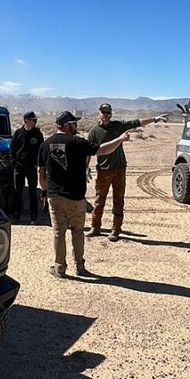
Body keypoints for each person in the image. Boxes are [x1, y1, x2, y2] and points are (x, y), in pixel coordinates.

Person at [38, 111, 127, 278]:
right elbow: (102, 150)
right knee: (77, 232)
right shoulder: (78, 142)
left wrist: (45, 190)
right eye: (74, 123)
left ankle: (60, 268)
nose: (76, 126)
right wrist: (120, 140)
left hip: (54, 197)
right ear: (66, 125)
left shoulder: (45, 144)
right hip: (75, 198)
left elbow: (41, 174)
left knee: (58, 233)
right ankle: (80, 267)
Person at [86, 103, 168, 241]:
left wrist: (155, 118)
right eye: (103, 112)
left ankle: (116, 230)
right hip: (103, 171)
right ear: (98, 113)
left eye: (108, 112)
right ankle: (95, 227)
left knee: (118, 200)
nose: (105, 115)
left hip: (119, 169)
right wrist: (86, 166)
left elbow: (138, 122)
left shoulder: (118, 126)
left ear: (111, 114)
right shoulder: (94, 132)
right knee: (100, 200)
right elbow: (88, 151)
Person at [9, 112, 44, 222]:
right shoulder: (18, 133)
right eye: (32, 120)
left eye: (35, 120)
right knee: (18, 191)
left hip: (31, 168)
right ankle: (16, 215)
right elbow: (12, 149)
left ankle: (33, 216)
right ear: (26, 121)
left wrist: (38, 164)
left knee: (32, 192)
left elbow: (41, 150)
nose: (34, 122)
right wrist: (13, 162)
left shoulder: (38, 134)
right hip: (19, 167)